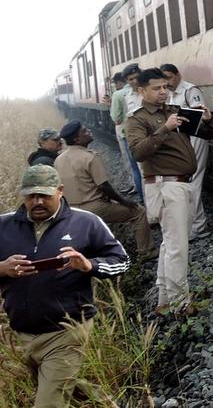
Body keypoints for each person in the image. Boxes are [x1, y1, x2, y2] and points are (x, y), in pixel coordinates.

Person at [0, 165, 130, 407]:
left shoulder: (86, 222)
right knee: (65, 387)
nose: (37, 201)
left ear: (60, 191)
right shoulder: (3, 226)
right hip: (22, 334)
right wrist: (2, 269)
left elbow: (122, 262)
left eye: (44, 195)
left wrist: (88, 265)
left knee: (48, 402)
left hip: (67, 332)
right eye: (30, 196)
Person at [126, 68, 213, 312]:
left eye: (165, 87)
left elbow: (209, 134)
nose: (163, 92)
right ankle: (181, 303)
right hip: (164, 184)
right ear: (141, 91)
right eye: (156, 88)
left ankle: (165, 300)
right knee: (178, 245)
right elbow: (138, 152)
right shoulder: (137, 119)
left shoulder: (175, 112)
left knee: (170, 243)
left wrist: (208, 120)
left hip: (182, 183)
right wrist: (164, 129)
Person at [54, 120, 155, 260]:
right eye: (84, 131)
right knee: (139, 212)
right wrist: (124, 202)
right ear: (77, 139)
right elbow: (103, 186)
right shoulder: (90, 157)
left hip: (71, 210)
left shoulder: (59, 160)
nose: (89, 131)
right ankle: (146, 251)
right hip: (94, 208)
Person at [160, 63, 210, 240]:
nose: (168, 82)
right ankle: (194, 223)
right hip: (182, 141)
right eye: (164, 79)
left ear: (178, 74)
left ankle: (199, 226)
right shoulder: (171, 93)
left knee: (192, 181)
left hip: (195, 138)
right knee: (186, 182)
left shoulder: (190, 91)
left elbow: (200, 117)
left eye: (170, 77)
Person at [110, 64, 143, 202]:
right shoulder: (144, 90)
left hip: (128, 135)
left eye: (136, 78)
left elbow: (115, 118)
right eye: (131, 79)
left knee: (135, 168)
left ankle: (143, 199)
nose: (134, 81)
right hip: (143, 135)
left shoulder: (118, 94)